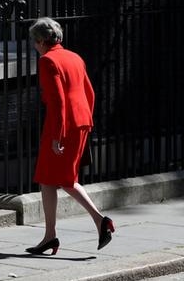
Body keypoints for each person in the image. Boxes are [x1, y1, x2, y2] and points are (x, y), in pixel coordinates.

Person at [25, 17, 114, 255]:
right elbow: (90, 93)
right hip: (81, 120)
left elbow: (57, 102)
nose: (34, 46)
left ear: (43, 41)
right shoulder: (74, 57)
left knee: (61, 179)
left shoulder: (48, 61)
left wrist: (57, 135)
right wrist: (87, 121)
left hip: (62, 125)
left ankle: (99, 220)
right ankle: (50, 236)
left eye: (35, 41)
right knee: (50, 178)